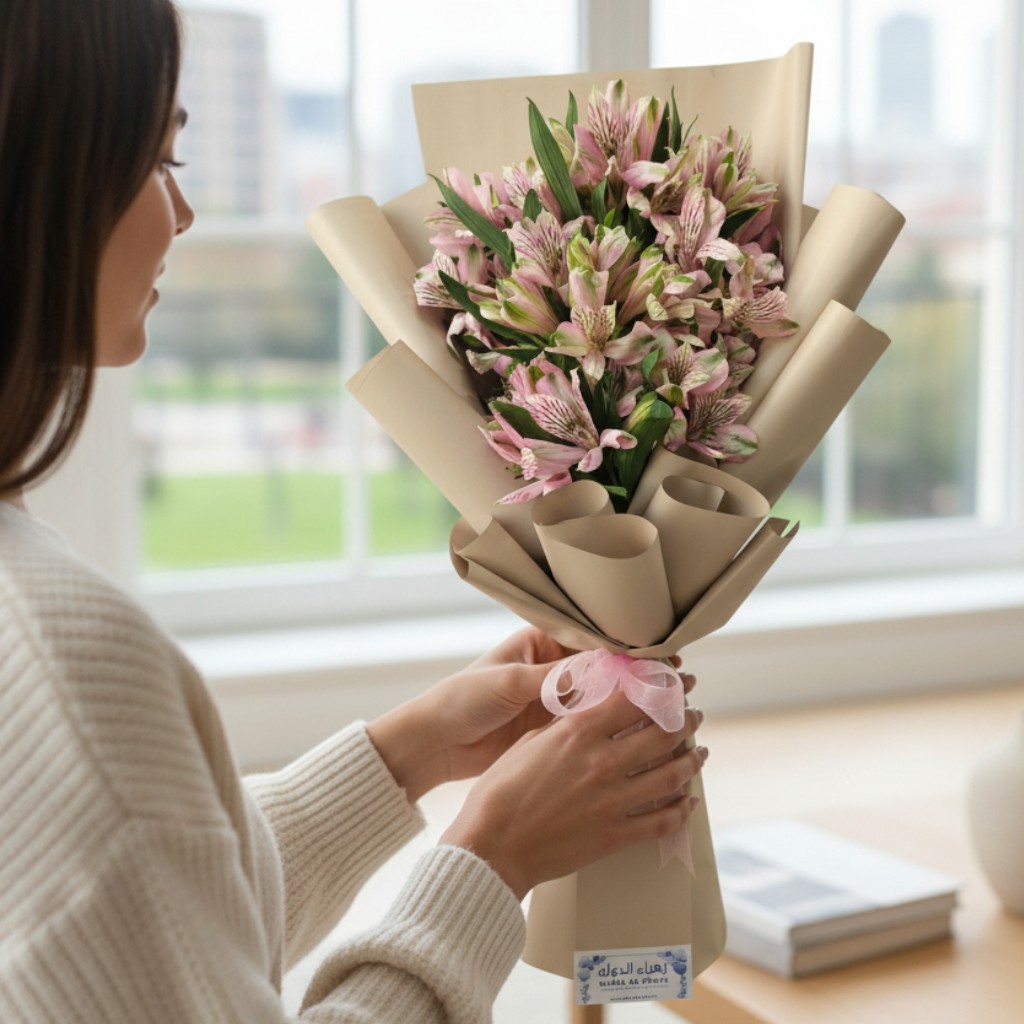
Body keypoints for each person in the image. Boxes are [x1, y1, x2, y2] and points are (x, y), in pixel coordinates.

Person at [0, 1, 708, 1021]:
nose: (184, 216)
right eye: (163, 164)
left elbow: (150, 933)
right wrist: (488, 856)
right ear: (40, 183)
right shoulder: (62, 662)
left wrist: (412, 752)